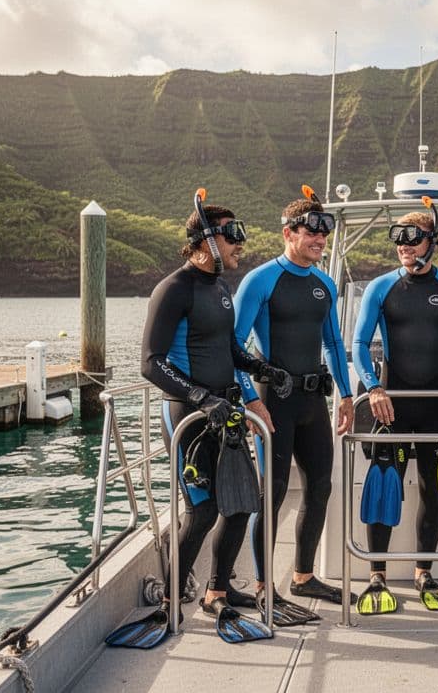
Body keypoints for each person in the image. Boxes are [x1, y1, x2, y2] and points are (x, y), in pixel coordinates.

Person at [140, 194, 286, 619]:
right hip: (190, 418)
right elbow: (150, 362)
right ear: (205, 240)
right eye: (232, 235)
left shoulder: (220, 288)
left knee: (241, 505)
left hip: (227, 414)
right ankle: (169, 603)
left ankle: (216, 593)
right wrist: (201, 397)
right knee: (202, 512)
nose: (240, 243)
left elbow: (227, 348)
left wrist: (262, 367)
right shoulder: (172, 290)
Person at [351, 208, 438, 610]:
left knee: (432, 485)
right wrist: (374, 387)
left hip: (435, 405)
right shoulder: (380, 288)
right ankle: (376, 577)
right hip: (391, 404)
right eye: (399, 239)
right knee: (383, 482)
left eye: (413, 239)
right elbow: (360, 345)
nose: (404, 247)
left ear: (432, 241)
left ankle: (423, 573)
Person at [235, 189, 355, 604]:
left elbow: (335, 344)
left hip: (312, 400)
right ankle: (264, 587)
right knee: (274, 489)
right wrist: (251, 399)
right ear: (288, 233)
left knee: (321, 485)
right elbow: (234, 346)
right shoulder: (261, 280)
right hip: (273, 399)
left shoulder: (324, 284)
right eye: (311, 233)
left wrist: (345, 396)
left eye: (324, 234)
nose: (320, 240)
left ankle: (303, 578)